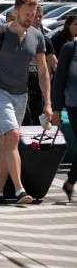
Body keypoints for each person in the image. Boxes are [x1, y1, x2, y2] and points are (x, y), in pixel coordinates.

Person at [0, 0, 52, 205]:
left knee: (6, 140)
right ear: (15, 12)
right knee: (13, 135)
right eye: (27, 14)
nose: (30, 18)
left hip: (21, 94)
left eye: (33, 15)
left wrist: (48, 102)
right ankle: (19, 189)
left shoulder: (37, 36)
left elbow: (43, 71)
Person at [51, 35, 77, 202]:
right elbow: (59, 79)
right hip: (75, 104)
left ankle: (70, 182)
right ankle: (70, 181)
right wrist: (56, 109)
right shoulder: (70, 48)